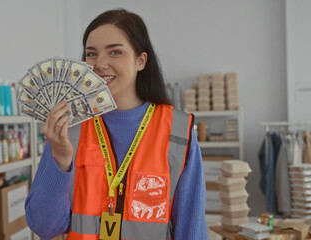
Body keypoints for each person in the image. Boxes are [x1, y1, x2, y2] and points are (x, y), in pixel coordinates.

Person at [25, 8, 208, 240]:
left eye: (115, 52)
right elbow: (43, 226)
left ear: (140, 61)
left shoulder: (178, 132)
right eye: (91, 54)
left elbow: (192, 230)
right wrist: (60, 159)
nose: (100, 64)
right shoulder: (70, 127)